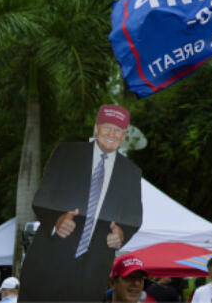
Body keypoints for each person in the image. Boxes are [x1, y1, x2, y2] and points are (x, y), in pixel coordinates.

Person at [21, 104, 144, 303]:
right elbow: (41, 198)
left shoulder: (131, 173)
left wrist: (121, 233)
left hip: (91, 277)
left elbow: (134, 217)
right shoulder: (66, 153)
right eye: (107, 127)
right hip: (47, 267)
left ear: (123, 135)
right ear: (96, 128)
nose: (111, 134)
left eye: (118, 130)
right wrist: (57, 219)